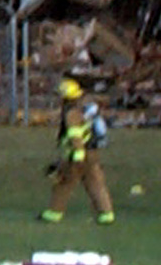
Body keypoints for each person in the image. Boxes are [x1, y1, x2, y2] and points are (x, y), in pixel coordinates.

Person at [42, 78, 115, 224]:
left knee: (64, 184)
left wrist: (75, 158)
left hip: (79, 155)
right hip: (92, 153)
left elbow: (75, 137)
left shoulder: (71, 114)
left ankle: (53, 214)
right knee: (95, 184)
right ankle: (106, 214)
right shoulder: (82, 110)